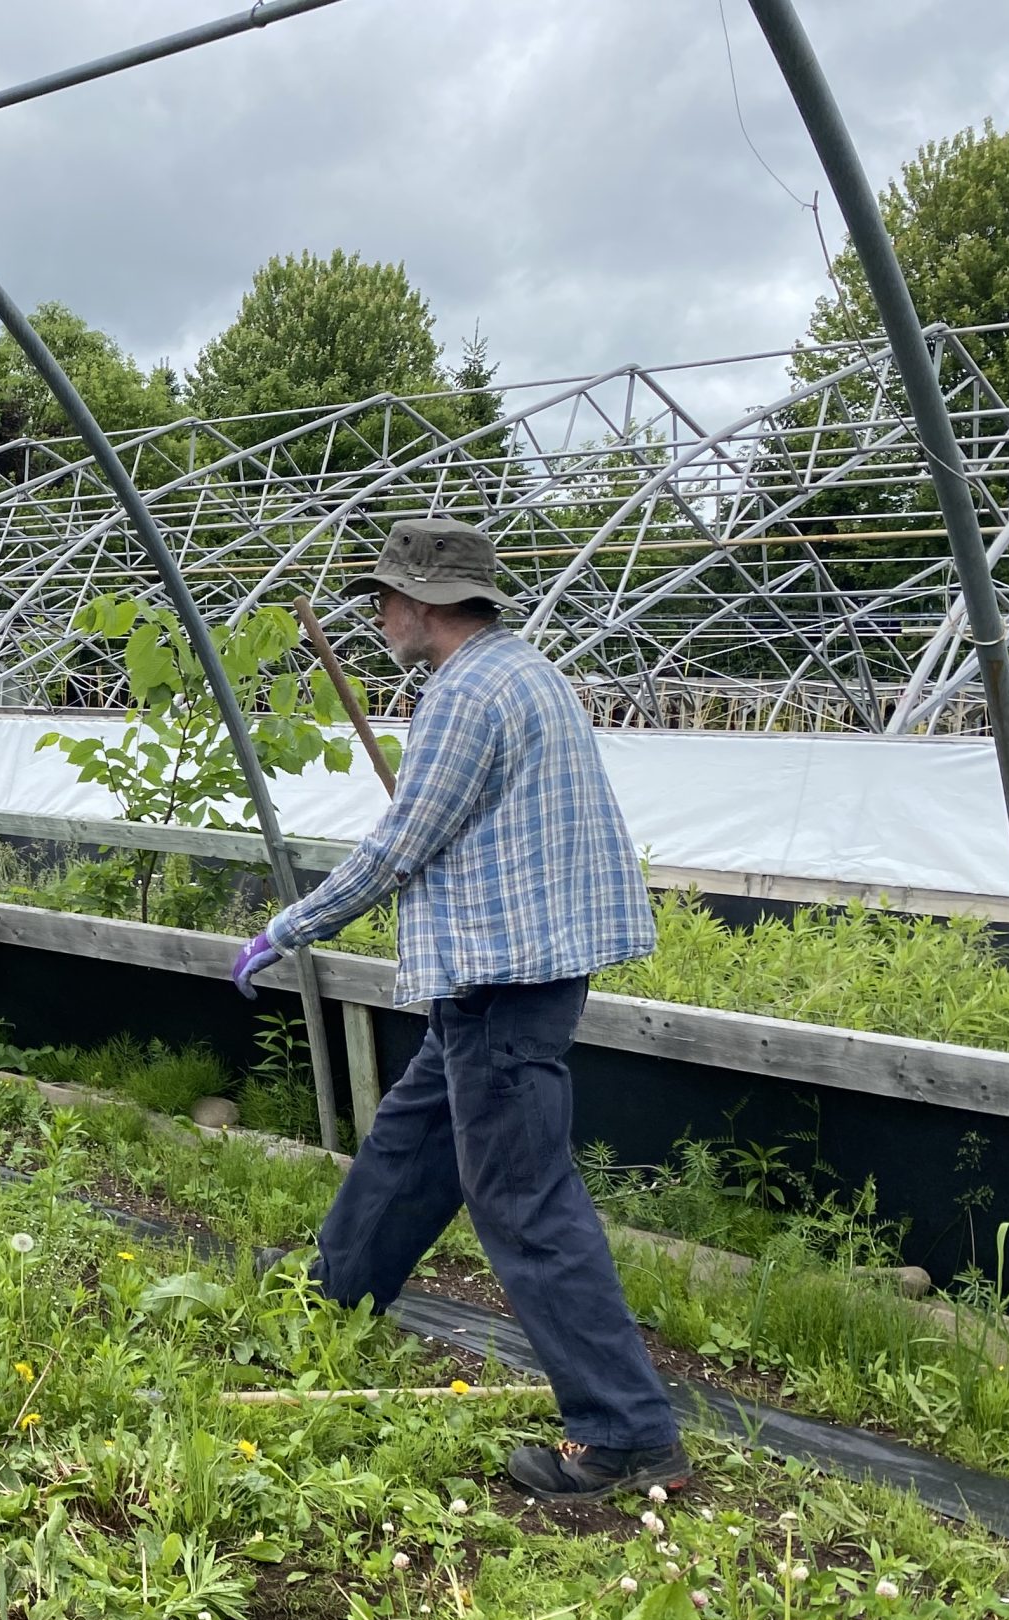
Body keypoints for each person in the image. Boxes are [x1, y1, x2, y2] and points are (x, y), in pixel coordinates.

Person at [233, 517, 683, 1501]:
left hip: (501, 975)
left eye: (387, 599)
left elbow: (401, 847)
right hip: (512, 963)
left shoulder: (462, 694)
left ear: (426, 606)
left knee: (520, 1195)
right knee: (411, 1141)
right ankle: (328, 1303)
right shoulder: (525, 672)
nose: (379, 616)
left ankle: (627, 1434)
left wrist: (290, 926)